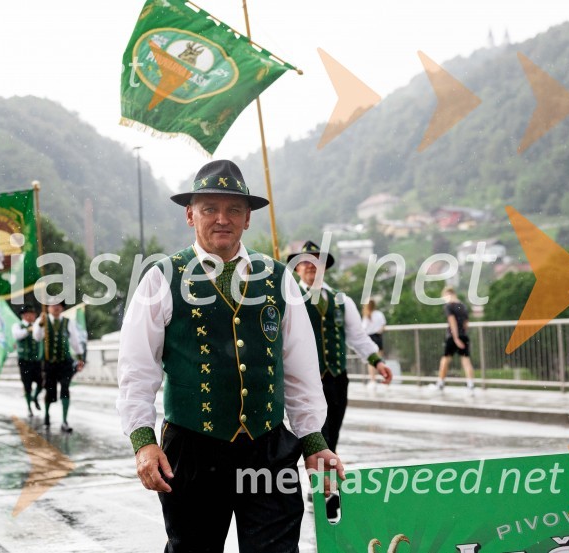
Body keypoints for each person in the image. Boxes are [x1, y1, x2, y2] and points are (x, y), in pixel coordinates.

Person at [117, 160, 343, 552]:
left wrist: (313, 441)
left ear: (248, 218)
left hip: (267, 449)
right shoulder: (161, 278)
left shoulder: (278, 279)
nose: (222, 219)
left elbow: (301, 370)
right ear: (190, 215)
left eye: (234, 209)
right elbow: (137, 370)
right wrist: (143, 441)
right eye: (209, 209)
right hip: (192, 450)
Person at [288, 241, 392, 454]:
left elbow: (357, 336)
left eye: (317, 261)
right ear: (297, 268)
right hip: (305, 379)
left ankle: (328, 483)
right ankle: (318, 481)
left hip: (336, 378)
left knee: (333, 432)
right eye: (305, 261)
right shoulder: (290, 299)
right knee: (316, 434)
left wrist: (377, 361)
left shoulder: (341, 300)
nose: (311, 265)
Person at [33, 302, 83, 433]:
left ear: (62, 308)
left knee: (65, 388)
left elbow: (75, 340)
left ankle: (64, 421)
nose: (56, 308)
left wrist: (79, 357)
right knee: (49, 390)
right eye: (53, 305)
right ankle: (47, 415)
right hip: (48, 363)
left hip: (64, 362)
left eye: (59, 305)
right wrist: (40, 325)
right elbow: (36, 337)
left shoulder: (67, 322)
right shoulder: (42, 320)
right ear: (48, 307)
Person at [430, 286, 476, 395]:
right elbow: (466, 323)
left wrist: (455, 338)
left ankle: (440, 383)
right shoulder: (463, 306)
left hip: (453, 336)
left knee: (445, 360)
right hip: (464, 335)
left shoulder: (449, 306)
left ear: (448, 294)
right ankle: (470, 385)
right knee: (466, 361)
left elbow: (452, 322)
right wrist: (462, 335)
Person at [12, 305, 43, 418]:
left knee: (42, 382)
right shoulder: (17, 326)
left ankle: (35, 397)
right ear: (23, 316)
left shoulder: (38, 326)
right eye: (28, 314)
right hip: (24, 360)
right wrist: (28, 330)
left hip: (36, 360)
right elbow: (17, 335)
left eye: (32, 314)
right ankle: (29, 407)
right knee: (27, 384)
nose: (30, 316)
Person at [361, 299, 387, 390]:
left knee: (372, 361)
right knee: (379, 360)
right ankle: (384, 379)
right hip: (378, 337)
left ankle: (373, 380)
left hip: (370, 338)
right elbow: (383, 325)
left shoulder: (367, 316)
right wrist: (379, 331)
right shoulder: (379, 314)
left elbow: (363, 329)